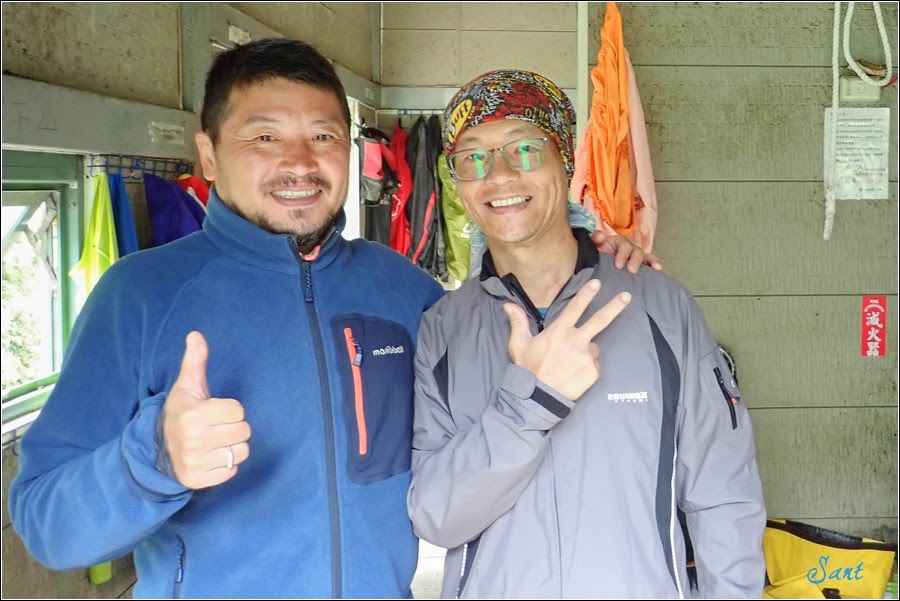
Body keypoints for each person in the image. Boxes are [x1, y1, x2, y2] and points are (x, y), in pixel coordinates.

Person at [8, 42, 653, 598]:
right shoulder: (141, 297)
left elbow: (506, 402)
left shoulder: (404, 290)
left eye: (323, 137)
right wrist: (153, 459)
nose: (299, 162)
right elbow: (45, 524)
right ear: (208, 155)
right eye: (264, 137)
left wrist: (593, 249)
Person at [407, 70, 766, 598]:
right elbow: (435, 517)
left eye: (525, 149)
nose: (499, 175)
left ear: (566, 160)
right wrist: (527, 406)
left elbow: (723, 493)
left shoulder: (660, 306)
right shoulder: (443, 330)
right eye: (473, 157)